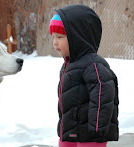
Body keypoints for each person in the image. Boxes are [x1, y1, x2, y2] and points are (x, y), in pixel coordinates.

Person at [49, 5, 119, 147]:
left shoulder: (93, 65)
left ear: (78, 37)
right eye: (53, 37)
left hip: (90, 135)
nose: (55, 42)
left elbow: (103, 95)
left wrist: (97, 129)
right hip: (70, 131)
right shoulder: (69, 64)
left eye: (60, 37)